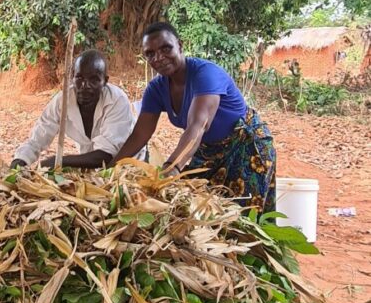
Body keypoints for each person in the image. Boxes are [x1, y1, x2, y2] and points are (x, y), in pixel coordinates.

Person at [114, 23, 276, 212]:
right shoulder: (156, 89)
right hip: (208, 151)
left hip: (246, 146)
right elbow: (140, 134)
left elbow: (198, 125)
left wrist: (171, 169)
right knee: (197, 209)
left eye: (166, 49)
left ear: (180, 46)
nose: (158, 58)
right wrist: (112, 168)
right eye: (150, 54)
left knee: (240, 217)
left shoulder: (205, 74)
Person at [11, 50, 137, 169]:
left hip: (130, 167)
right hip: (93, 169)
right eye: (80, 78)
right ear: (72, 78)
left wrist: (58, 161)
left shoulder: (116, 101)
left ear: (105, 81)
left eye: (94, 80)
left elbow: (104, 155)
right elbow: (37, 139)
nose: (85, 86)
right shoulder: (62, 101)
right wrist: (19, 162)